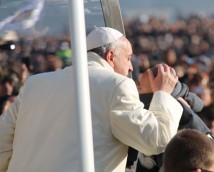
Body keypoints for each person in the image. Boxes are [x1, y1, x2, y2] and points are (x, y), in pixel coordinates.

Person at [0, 27, 183, 172]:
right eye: (128, 58)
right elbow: (156, 140)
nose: (130, 68)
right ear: (110, 56)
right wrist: (163, 93)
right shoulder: (117, 85)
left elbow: (2, 146)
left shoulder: (35, 83)